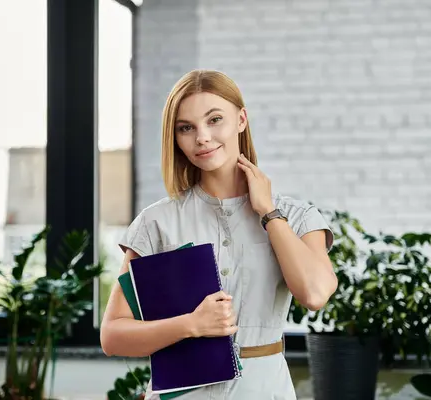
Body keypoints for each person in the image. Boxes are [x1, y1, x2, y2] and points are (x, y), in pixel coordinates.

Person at [100, 69, 338, 399]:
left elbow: (315, 294)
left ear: (241, 119)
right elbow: (112, 336)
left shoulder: (297, 217)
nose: (202, 137)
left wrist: (269, 213)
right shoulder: (156, 222)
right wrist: (191, 325)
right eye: (186, 128)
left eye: (215, 120)